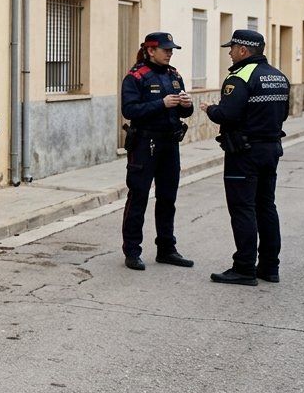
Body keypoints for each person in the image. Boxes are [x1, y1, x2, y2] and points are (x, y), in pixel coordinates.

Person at [203, 29, 290, 286]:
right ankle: (269, 267)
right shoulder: (279, 76)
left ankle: (244, 268)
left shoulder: (239, 77)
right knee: (266, 207)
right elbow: (283, 113)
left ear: (243, 50)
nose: (229, 53)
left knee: (243, 209)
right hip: (271, 149)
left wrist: (211, 109)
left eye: (232, 48)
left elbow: (227, 115)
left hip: (244, 153)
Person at [118, 32, 196, 270]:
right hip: (144, 144)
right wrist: (160, 104)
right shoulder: (136, 77)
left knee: (167, 199)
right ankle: (132, 250)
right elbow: (130, 110)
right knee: (138, 197)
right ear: (151, 50)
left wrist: (187, 105)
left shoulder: (174, 76)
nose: (170, 53)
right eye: (166, 49)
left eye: (172, 50)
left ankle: (166, 249)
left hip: (169, 144)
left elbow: (184, 113)